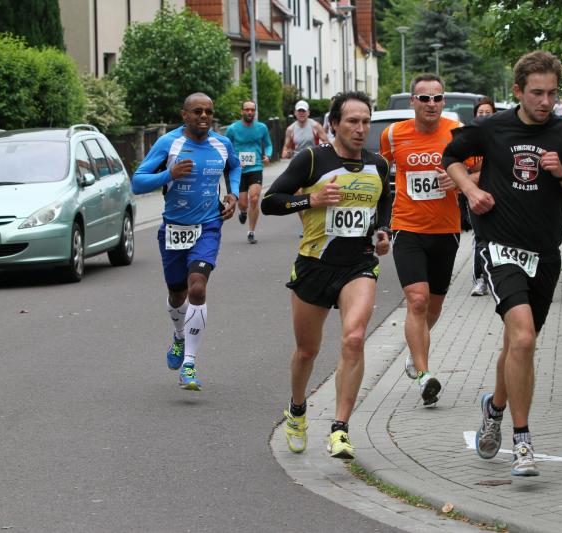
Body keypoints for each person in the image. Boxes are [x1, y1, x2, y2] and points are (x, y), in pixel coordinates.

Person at [443, 51, 562, 476]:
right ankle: (523, 440)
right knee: (525, 338)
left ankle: (493, 409)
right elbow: (450, 157)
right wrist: (470, 191)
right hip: (499, 246)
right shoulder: (493, 128)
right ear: (518, 91)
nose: (545, 101)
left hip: (545, 254)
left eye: (552, 93)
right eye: (536, 93)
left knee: (518, 344)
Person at [261, 91, 391, 459]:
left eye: (365, 121)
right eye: (352, 121)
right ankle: (297, 409)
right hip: (314, 265)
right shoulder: (313, 159)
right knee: (307, 351)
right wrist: (311, 200)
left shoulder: (378, 165)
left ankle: (340, 429)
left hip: (359, 264)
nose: (360, 128)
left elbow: (384, 201)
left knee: (354, 338)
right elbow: (270, 202)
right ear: (334, 124)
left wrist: (384, 232)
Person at [132, 92, 241, 391]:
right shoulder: (169, 144)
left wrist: (232, 193)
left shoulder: (223, 144)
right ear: (185, 115)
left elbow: (234, 166)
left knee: (197, 287)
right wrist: (169, 174)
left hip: (208, 226)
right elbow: (137, 182)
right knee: (177, 294)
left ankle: (189, 364)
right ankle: (179, 336)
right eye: (197, 111)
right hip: (173, 228)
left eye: (208, 111)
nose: (204, 116)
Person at [380, 73, 465, 407]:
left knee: (433, 306)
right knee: (417, 301)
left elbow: (481, 172)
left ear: (444, 101)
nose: (432, 104)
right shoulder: (393, 135)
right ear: (412, 101)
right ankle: (425, 375)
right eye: (425, 98)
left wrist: (458, 180)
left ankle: (415, 353)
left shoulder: (457, 134)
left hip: (446, 230)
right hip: (408, 228)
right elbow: (376, 171)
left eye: (437, 98)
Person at [225, 100, 272, 244]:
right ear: (242, 111)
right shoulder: (232, 129)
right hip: (239, 170)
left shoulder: (262, 128)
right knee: (243, 203)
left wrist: (268, 155)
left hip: (256, 167)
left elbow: (268, 145)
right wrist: (233, 160)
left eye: (252, 110)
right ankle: (243, 211)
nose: (250, 112)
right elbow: (226, 147)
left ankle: (251, 232)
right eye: (247, 109)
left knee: (254, 198)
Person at [465, 97, 497, 297]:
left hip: (499, 195)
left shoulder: (501, 137)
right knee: (480, 237)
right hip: (475, 196)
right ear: (475, 116)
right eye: (481, 113)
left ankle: (497, 277)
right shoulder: (468, 139)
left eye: (488, 112)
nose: (484, 116)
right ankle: (480, 280)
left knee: (498, 237)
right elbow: (462, 168)